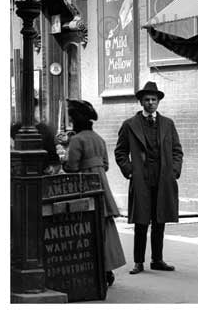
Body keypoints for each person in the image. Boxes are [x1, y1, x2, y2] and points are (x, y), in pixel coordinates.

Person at [114, 81, 183, 275]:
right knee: (141, 222)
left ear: (158, 102)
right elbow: (120, 152)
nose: (151, 103)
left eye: (154, 99)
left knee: (160, 220)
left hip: (162, 179)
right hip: (141, 179)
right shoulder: (130, 125)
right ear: (141, 102)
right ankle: (138, 262)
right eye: (147, 100)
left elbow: (177, 150)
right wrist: (130, 171)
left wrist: (174, 171)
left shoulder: (168, 124)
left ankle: (157, 259)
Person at [63, 99, 126, 287]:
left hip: (83, 187)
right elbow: (105, 166)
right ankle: (108, 269)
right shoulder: (99, 138)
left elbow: (72, 167)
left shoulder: (76, 140)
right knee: (105, 228)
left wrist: (63, 159)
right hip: (101, 186)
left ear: (76, 120)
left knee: (85, 228)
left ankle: (89, 269)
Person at [10, 98, 61, 174]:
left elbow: (54, 159)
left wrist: (52, 168)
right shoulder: (14, 129)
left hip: (40, 173)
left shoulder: (45, 130)